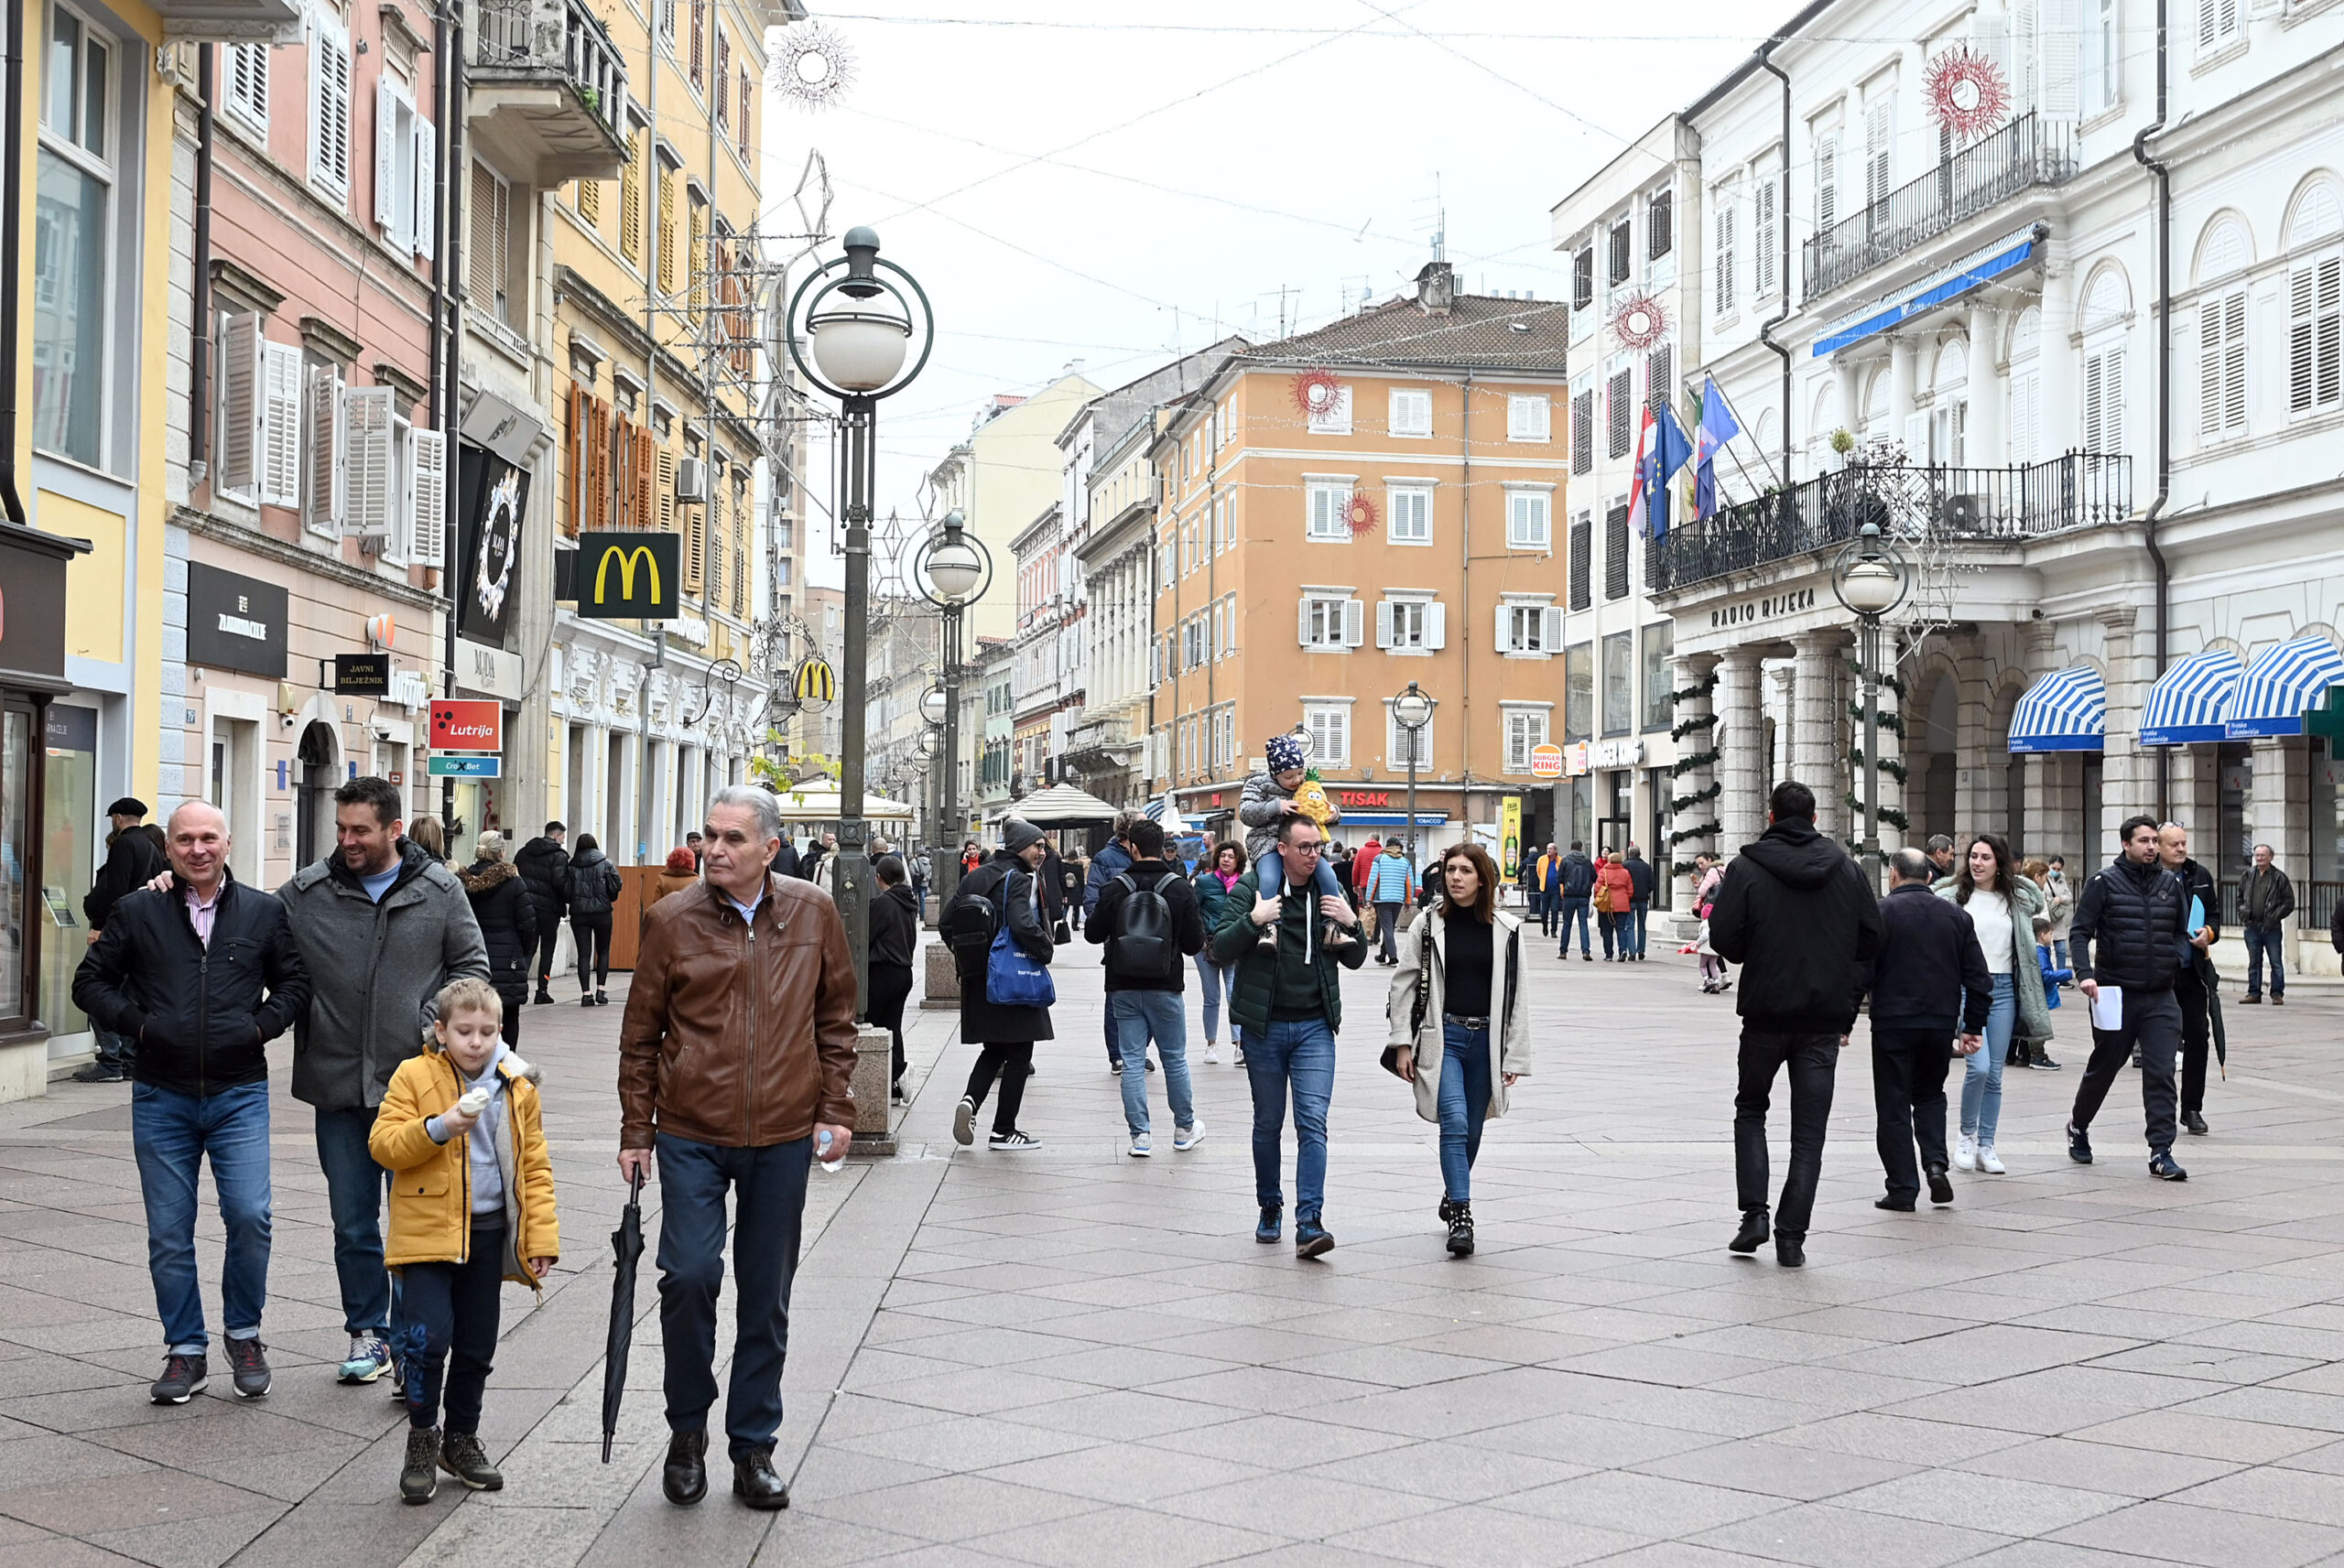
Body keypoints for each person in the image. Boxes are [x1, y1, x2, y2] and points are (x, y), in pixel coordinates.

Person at [617, 784, 857, 1510]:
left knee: (766, 1295)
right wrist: (637, 1131)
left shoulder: (814, 911)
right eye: (710, 836)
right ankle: (686, 1429)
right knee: (687, 1277)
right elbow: (640, 1035)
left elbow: (838, 1013)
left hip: (783, 1131)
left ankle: (753, 1445)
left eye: (733, 839)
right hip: (691, 1128)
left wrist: (837, 1104)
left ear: (770, 849)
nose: (715, 850)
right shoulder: (670, 918)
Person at [73, 801, 311, 1404]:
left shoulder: (263, 910)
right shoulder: (139, 908)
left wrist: (259, 1027)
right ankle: (185, 1349)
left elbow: (295, 982)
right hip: (161, 1094)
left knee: (250, 1216)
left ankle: (244, 1334)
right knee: (170, 1232)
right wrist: (141, 1026)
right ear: (168, 846)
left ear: (228, 842)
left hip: (238, 1092)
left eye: (208, 837)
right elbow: (89, 982)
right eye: (185, 839)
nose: (197, 848)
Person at [278, 776, 489, 1388]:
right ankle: (368, 1331)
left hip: (416, 1088)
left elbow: (472, 968)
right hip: (337, 1085)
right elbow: (250, 934)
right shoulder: (304, 894)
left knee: (416, 1220)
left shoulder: (440, 890)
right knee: (352, 1221)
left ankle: (412, 1345)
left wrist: (430, 1026)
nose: (347, 840)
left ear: (394, 829)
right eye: (341, 829)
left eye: (360, 830)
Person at [371, 978, 558, 1502]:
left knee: (477, 1345)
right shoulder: (414, 1075)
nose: (476, 1042)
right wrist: (438, 1126)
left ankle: (461, 1438)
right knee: (427, 1342)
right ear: (441, 1031)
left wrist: (539, 1237)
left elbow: (534, 1168)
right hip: (428, 1234)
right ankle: (422, 1437)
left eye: (487, 1031)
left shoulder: (516, 1084)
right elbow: (383, 1145)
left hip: (488, 1229)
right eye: (464, 1031)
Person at [1707, 781, 1882, 1269]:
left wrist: (1753, 951)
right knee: (1809, 1132)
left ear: (1770, 817)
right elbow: (1872, 938)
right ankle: (1791, 1237)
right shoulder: (1846, 869)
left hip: (1765, 1012)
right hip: (1822, 1019)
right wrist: (1845, 995)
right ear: (1816, 819)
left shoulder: (1746, 868)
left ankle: (1754, 1215)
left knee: (1751, 1110)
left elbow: (1725, 937)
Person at [1207, 812, 1368, 1258]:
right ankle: (1270, 1205)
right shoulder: (1252, 889)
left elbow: (1355, 960)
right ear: (1282, 849)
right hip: (1265, 1027)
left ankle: (1309, 1221)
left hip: (1316, 1026)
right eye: (1305, 848)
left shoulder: (1328, 891)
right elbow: (1218, 947)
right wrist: (1255, 920)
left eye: (1318, 847)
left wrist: (1353, 925)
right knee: (1268, 1122)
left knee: (1312, 1123)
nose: (1314, 854)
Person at [1387, 843, 1530, 1257]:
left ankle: (1453, 1192)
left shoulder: (1506, 928)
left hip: (1486, 1042)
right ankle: (1462, 1216)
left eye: (1466, 870)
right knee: (1453, 1121)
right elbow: (1404, 983)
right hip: (1443, 1036)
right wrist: (1401, 1042)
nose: (1456, 877)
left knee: (1472, 1128)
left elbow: (1518, 995)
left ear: (1482, 878)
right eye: (1451, 869)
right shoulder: (1428, 924)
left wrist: (1514, 1054)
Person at [1858, 848, 1989, 1213]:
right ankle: (1934, 1163)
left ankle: (1902, 1187)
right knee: (1930, 1095)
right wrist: (1972, 1025)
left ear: (1893, 875)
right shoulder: (1956, 917)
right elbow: (1979, 978)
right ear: (1930, 877)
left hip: (1892, 1022)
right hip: (1939, 1022)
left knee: (1893, 1103)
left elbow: (1860, 971)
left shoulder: (1880, 914)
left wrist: (1842, 1020)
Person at [2067, 816, 2191, 1181]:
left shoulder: (2170, 882)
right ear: (2126, 845)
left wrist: (2177, 956)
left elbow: (2181, 932)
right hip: (2114, 992)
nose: (2151, 847)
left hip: (2160, 995)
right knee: (2105, 1065)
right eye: (2144, 841)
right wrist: (2085, 974)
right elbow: (2079, 932)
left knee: (2161, 1071)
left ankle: (2161, 1152)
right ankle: (2078, 1125)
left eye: (2155, 841)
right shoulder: (2103, 883)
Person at [1090, 818, 1207, 1158]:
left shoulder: (1115, 887)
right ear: (1162, 847)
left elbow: (1094, 933)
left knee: (1131, 1061)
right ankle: (1184, 1129)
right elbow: (1193, 943)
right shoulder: (1180, 887)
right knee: (1174, 1058)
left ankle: (1140, 1137)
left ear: (1132, 847)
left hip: (1122, 985)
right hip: (1166, 984)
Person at [1934, 834, 2047, 1175]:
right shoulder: (1952, 898)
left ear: (1999, 863)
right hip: (1968, 989)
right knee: (1978, 1068)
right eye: (1972, 856)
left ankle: (1987, 1143)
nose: (1977, 863)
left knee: (1995, 1074)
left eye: (1985, 857)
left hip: (2003, 990)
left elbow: (2036, 895)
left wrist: (2015, 877)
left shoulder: (2014, 898)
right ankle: (1966, 1136)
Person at [950, 818, 1055, 1150]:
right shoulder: (1020, 878)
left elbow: (947, 924)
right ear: (1020, 846)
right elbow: (1022, 923)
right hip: (1012, 977)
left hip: (977, 977)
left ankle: (970, 1101)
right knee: (1021, 1051)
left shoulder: (976, 875)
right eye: (1037, 845)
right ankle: (1003, 1130)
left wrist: (972, 956)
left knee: (995, 1047)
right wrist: (1045, 948)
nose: (1042, 851)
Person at [73, 796, 169, 1082]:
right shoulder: (150, 845)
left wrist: (100, 925)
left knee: (94, 989)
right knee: (128, 997)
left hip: (119, 933)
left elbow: (114, 890)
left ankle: (111, 1059)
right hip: (141, 933)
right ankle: (127, 1060)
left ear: (117, 818)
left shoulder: (125, 845)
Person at [1239, 734, 1353, 950]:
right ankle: (1269, 927)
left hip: (1304, 846)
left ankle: (1332, 927)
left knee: (1328, 876)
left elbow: (1321, 805)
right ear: (1274, 774)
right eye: (1289, 776)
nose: (1296, 780)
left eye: (1300, 772)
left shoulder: (1308, 784)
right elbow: (1245, 813)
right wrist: (1275, 806)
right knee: (1270, 878)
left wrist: (1333, 814)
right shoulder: (1258, 784)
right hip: (1269, 843)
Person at [2159, 822, 2222, 1137]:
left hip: (2192, 971)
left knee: (2198, 1035)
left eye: (2184, 843)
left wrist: (2208, 933)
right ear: (2157, 847)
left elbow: (2215, 916)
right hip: (2159, 974)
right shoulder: (2147, 877)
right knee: (2162, 1042)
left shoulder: (2199, 875)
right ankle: (2160, 1111)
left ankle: (2192, 1108)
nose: (2182, 849)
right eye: (2175, 844)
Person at [458, 832, 539, 1046]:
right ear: (501, 852)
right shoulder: (514, 883)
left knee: (474, 1016)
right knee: (509, 1018)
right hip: (507, 962)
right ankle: (505, 1066)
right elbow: (528, 923)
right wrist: (521, 950)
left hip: (471, 959)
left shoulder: (462, 883)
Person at [1084, 816, 1139, 1073]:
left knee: (1148, 995)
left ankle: (1137, 1050)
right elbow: (1092, 898)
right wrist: (1108, 929)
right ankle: (1117, 1053)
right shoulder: (1105, 859)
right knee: (1115, 996)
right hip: (1117, 937)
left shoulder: (1149, 856)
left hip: (1149, 937)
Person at [1191, 842, 1247, 1066]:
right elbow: (1193, 911)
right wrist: (1201, 938)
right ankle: (1211, 1045)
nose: (1225, 860)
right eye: (1222, 856)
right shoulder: (1204, 882)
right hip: (1207, 947)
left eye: (1230, 857)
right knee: (1211, 997)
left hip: (1233, 946)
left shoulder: (1245, 883)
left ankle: (1239, 1046)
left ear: (1238, 861)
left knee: (1234, 995)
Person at [868, 854, 918, 1102]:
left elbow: (866, 936)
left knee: (870, 1023)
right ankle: (894, 1087)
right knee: (892, 1028)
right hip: (903, 972)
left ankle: (898, 1070)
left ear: (880, 878)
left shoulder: (883, 903)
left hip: (883, 972)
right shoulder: (908, 901)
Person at [514, 823, 570, 1005]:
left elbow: (515, 876)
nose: (563, 841)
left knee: (528, 947)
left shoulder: (524, 852)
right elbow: (560, 883)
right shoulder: (559, 856)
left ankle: (520, 987)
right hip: (549, 909)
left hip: (526, 907)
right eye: (562, 837)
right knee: (547, 950)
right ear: (555, 836)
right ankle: (542, 990)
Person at [566, 833, 622, 1006]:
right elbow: (617, 884)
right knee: (603, 950)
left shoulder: (571, 866)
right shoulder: (605, 863)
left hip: (579, 914)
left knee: (584, 953)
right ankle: (601, 990)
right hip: (602, 913)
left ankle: (586, 994)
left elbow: (566, 891)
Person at [2239, 843, 2295, 1006]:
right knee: (2253, 961)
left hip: (2271, 927)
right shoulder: (2248, 875)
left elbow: (2289, 902)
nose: (2259, 858)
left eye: (2263, 855)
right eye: (2257, 855)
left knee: (2275, 961)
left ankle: (2277, 993)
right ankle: (2253, 993)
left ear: (2270, 857)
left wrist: (2275, 916)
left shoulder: (2279, 877)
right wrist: (2242, 913)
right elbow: (2240, 897)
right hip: (2252, 926)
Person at [1365, 838, 1415, 966]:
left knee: (1387, 929)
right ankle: (1382, 955)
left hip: (1382, 899)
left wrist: (1369, 899)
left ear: (1386, 846)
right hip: (1397, 899)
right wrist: (1408, 901)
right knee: (1389, 928)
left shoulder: (1379, 859)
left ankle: (1393, 957)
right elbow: (1409, 884)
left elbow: (1373, 880)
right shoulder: (1405, 861)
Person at [1693, 853, 1731, 994]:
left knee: (1708, 945)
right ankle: (1722, 976)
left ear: (1710, 860)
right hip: (1724, 910)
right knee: (1716, 945)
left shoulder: (1712, 872)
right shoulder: (1725, 871)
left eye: (1702, 863)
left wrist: (1700, 886)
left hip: (1711, 911)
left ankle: (1708, 981)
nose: (1700, 866)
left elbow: (1703, 892)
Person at [1556, 841, 1597, 959]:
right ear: (1581, 848)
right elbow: (1594, 877)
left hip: (1569, 895)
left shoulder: (1565, 860)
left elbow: (1559, 878)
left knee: (1567, 924)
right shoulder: (1587, 862)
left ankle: (1563, 951)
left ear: (1571, 847)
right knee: (1583, 924)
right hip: (1584, 895)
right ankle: (1586, 951)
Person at [1594, 850, 1634, 961]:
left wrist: (1598, 899)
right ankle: (1623, 950)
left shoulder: (1603, 872)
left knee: (1607, 930)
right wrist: (1625, 898)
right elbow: (1630, 890)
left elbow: (1597, 888)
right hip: (1622, 903)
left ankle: (1609, 954)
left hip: (1607, 904)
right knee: (1621, 929)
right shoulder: (1625, 872)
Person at [2041, 855, 2075, 970]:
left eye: (2058, 869)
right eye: (2053, 868)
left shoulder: (2062, 880)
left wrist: (2060, 898)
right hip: (2046, 918)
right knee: (2048, 951)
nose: (2055, 871)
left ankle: (2061, 976)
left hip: (2058, 919)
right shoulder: (2043, 878)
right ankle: (2051, 975)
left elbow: (2069, 897)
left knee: (2061, 950)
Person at [1623, 845, 1657, 960]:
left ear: (1629, 854)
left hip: (1630, 899)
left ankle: (1632, 952)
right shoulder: (1646, 867)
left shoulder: (1625, 866)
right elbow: (1652, 884)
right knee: (1642, 925)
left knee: (1630, 925)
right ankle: (1641, 950)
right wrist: (1646, 891)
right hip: (1643, 899)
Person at [649, 847, 700, 914]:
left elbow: (656, 905)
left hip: (667, 920)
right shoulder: (696, 882)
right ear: (692, 862)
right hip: (690, 921)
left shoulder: (663, 880)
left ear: (670, 861)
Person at [1535, 843, 1563, 938]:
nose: (1548, 851)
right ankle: (1545, 926)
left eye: (1550, 849)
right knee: (1544, 911)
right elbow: (1538, 872)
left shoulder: (1560, 860)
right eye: (1547, 849)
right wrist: (1543, 881)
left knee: (1555, 910)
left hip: (1556, 890)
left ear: (1555, 850)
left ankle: (1554, 930)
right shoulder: (1541, 859)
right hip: (1545, 889)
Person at [910, 847, 932, 921]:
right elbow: (931, 872)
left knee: (913, 898)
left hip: (915, 883)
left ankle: (914, 914)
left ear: (918, 853)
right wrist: (927, 878)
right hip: (925, 883)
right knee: (923, 899)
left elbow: (911, 872)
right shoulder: (929, 861)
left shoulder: (913, 861)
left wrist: (916, 877)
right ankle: (922, 916)